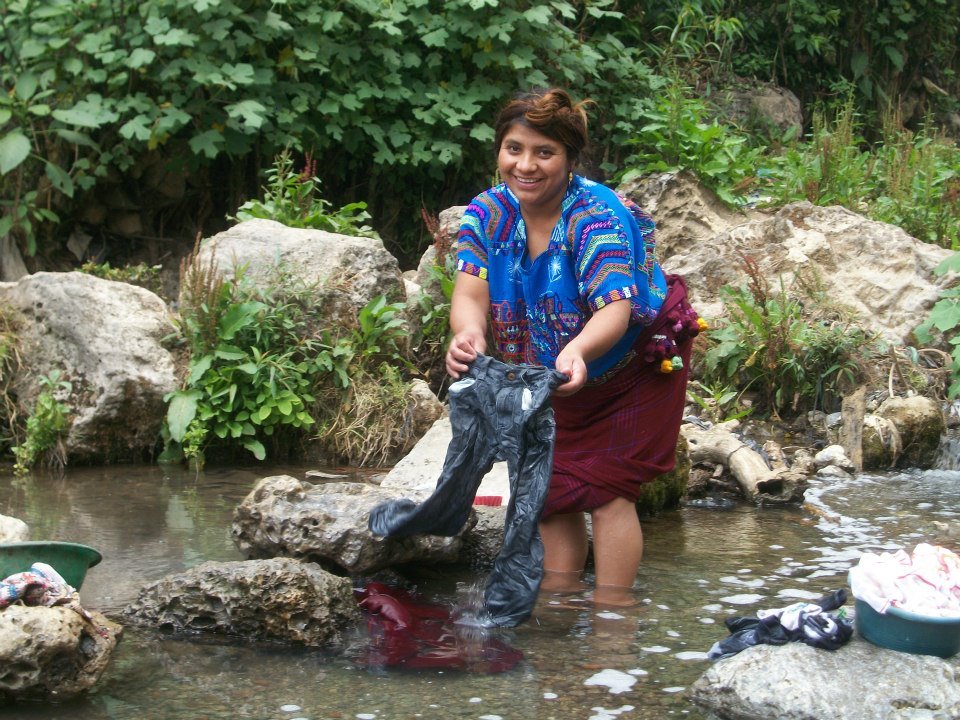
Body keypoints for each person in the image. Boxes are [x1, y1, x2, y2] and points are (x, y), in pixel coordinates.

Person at [445, 88, 701, 607]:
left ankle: (613, 620)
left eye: (545, 152)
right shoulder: (486, 214)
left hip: (633, 366)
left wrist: (579, 351)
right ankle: (558, 613)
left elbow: (615, 309)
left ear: (569, 159)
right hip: (552, 377)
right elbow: (471, 291)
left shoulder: (595, 215)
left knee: (608, 494)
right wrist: (467, 334)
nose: (526, 165)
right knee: (551, 493)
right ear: (499, 150)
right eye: (514, 149)